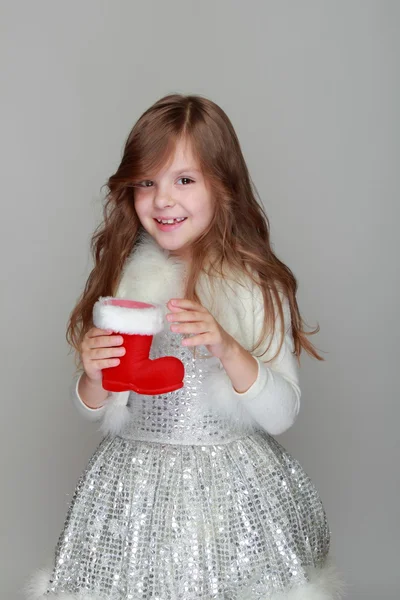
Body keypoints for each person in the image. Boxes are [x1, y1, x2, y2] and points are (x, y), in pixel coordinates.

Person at [27, 94, 344, 600]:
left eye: (185, 180)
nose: (162, 200)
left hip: (229, 489)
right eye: (146, 183)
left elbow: (282, 414)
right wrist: (91, 377)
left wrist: (228, 346)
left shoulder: (256, 286)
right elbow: (101, 406)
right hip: (136, 489)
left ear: (224, 185)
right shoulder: (129, 277)